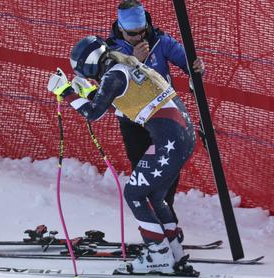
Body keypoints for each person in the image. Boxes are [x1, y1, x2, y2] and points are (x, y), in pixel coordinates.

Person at [47, 36, 197, 276]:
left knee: (134, 193)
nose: (86, 76)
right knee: (155, 196)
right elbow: (121, 104)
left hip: (170, 140)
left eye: (84, 72)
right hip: (181, 136)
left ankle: (158, 255)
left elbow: (93, 113)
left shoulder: (113, 75)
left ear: (90, 64)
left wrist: (65, 92)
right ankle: (174, 253)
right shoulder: (123, 66)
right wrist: (89, 92)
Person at [107, 0, 205, 225]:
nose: (139, 38)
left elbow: (189, 63)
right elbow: (111, 85)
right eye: (132, 34)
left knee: (168, 169)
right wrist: (134, 61)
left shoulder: (160, 40)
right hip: (134, 121)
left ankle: (165, 220)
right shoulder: (112, 49)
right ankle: (156, 222)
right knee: (145, 172)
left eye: (143, 31)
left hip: (165, 117)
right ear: (120, 29)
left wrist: (197, 69)